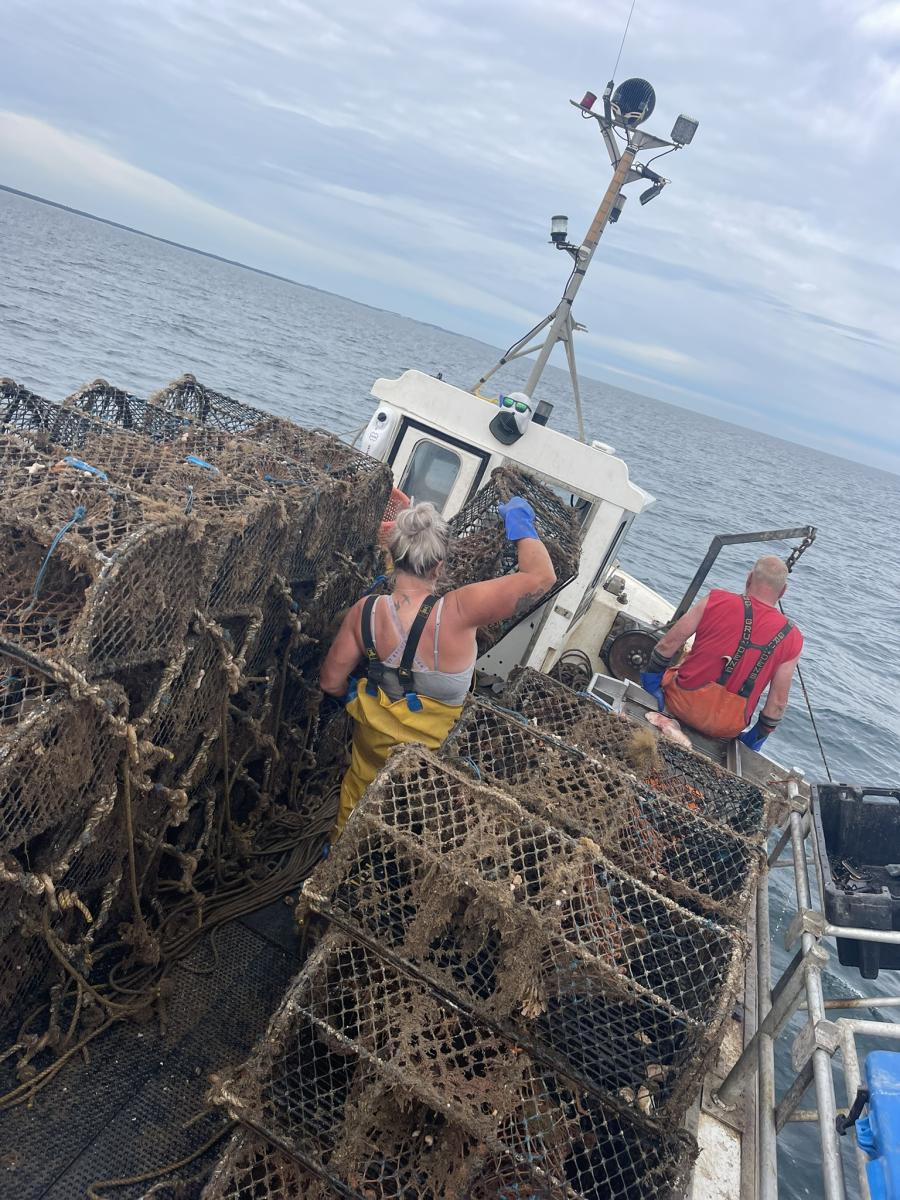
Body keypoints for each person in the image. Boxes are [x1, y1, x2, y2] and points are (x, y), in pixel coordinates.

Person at [320, 496, 556, 836]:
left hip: (369, 762)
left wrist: (357, 701)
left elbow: (330, 682)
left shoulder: (364, 612)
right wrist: (520, 526)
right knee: (414, 841)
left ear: (391, 556)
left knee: (351, 828)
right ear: (439, 566)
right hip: (428, 784)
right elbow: (542, 577)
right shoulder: (460, 610)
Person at [639, 556, 803, 750]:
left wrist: (651, 685)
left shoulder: (715, 600)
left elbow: (667, 645)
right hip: (727, 727)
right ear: (783, 591)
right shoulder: (792, 637)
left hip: (679, 705)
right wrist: (755, 739)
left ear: (749, 578)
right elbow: (777, 704)